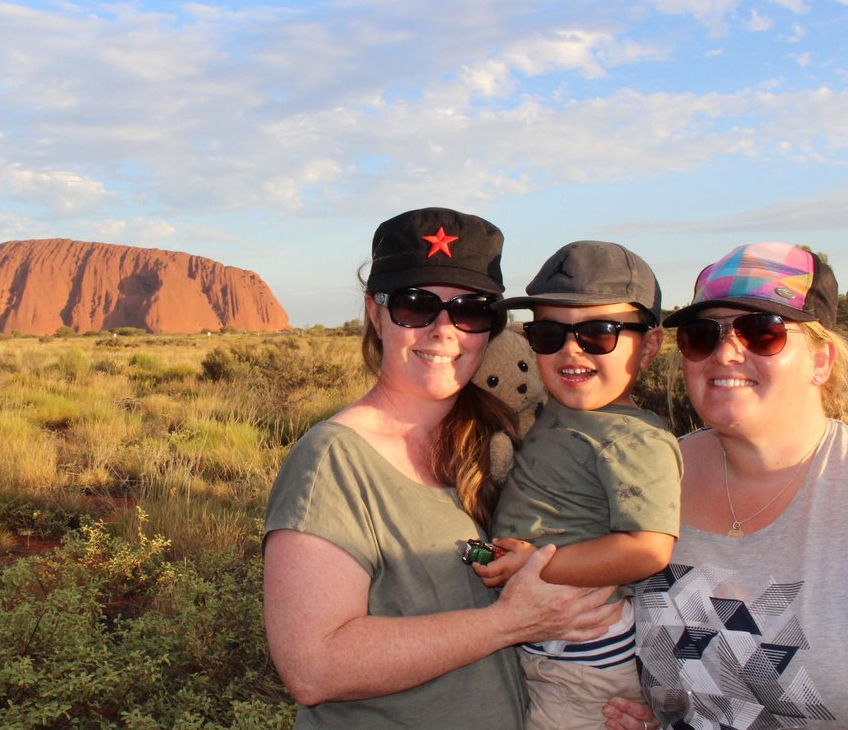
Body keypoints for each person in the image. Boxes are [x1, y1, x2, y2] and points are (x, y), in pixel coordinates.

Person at [262, 207, 621, 729]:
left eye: (470, 310)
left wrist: (607, 702)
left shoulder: (505, 441)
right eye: (415, 306)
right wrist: (509, 622)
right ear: (375, 312)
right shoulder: (331, 462)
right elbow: (314, 666)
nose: (443, 329)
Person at [605, 241, 848, 730]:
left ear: (821, 362)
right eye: (702, 335)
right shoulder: (652, 476)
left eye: (762, 332)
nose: (726, 352)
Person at [476, 241, 683, 730]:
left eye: (598, 333)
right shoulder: (561, 413)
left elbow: (648, 550)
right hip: (546, 638)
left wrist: (538, 565)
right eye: (549, 333)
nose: (571, 349)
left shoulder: (636, 438)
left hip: (583, 652)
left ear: (649, 346)